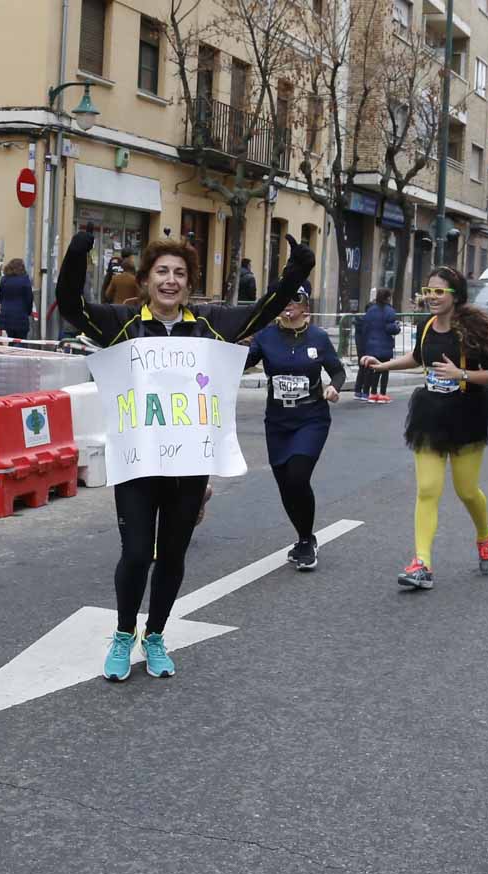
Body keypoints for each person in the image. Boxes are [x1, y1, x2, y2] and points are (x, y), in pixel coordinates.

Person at [57, 229, 314, 680]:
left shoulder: (210, 322)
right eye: (162, 272)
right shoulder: (121, 321)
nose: (170, 280)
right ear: (146, 280)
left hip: (189, 464)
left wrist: (298, 269)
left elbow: (264, 310)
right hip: (138, 462)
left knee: (173, 556)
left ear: (189, 282)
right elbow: (71, 306)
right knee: (136, 554)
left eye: (179, 273)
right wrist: (78, 255)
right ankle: (123, 634)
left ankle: (155, 635)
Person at [359, 266, 488, 591]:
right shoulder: (426, 324)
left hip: (467, 414)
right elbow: (418, 357)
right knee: (427, 489)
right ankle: (422, 563)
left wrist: (462, 374)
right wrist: (382, 364)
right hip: (431, 414)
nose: (431, 296)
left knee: (466, 491)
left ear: (455, 295)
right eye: (429, 290)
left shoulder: (474, 329)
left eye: (439, 291)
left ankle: (484, 535)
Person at [246, 280, 345, 570]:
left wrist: (333, 388)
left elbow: (337, 371)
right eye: (283, 298)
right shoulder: (265, 337)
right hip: (277, 420)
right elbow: (242, 363)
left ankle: (305, 541)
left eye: (295, 297)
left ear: (306, 304)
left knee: (298, 476)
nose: (288, 303)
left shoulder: (318, 337)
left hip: (311, 417)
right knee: (285, 484)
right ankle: (304, 536)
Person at [354, 288, 399, 402]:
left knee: (371, 369)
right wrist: (397, 328)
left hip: (371, 344)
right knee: (385, 369)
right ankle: (382, 393)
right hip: (384, 345)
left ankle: (369, 393)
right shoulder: (389, 311)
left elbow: (365, 327)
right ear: (388, 298)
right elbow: (390, 328)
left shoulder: (371, 310)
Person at [0, 258, 35, 339]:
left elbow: (1, 296)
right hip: (20, 316)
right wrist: (28, 311)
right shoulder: (24, 279)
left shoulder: (4, 279)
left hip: (6, 315)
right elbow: (29, 298)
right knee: (21, 341)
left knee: (11, 339)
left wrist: (4, 307)